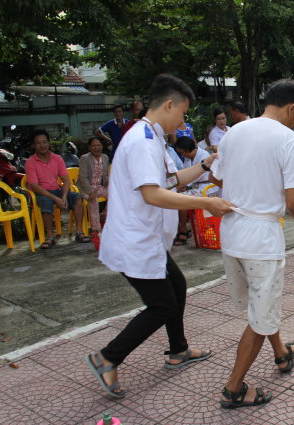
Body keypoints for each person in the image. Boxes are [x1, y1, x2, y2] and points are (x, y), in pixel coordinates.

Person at [85, 74, 234, 399]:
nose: (183, 122)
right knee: (161, 305)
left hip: (148, 239)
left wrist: (206, 163)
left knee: (176, 287)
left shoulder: (152, 139)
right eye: (182, 113)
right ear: (168, 105)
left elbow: (169, 181)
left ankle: (178, 349)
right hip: (134, 241)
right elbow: (153, 194)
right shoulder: (141, 140)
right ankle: (107, 357)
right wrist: (207, 201)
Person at [211, 78, 294, 409]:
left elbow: (216, 177)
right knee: (259, 317)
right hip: (260, 239)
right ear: (292, 108)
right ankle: (233, 388)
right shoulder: (288, 140)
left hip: (230, 233)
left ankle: (280, 354)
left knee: (261, 307)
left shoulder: (234, 132)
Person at [24, 129, 90, 249]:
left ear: (49, 143)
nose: (42, 145)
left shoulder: (57, 158)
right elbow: (34, 186)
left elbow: (66, 180)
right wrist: (56, 198)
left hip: (57, 190)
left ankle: (79, 232)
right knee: (46, 201)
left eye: (44, 142)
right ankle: (49, 236)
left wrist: (63, 197)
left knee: (77, 198)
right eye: (38, 143)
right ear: (34, 145)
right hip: (41, 192)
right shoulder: (30, 162)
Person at [173, 136, 213, 246]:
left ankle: (183, 230)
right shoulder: (187, 157)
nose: (182, 155)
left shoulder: (204, 155)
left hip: (206, 187)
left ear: (187, 149)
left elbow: (197, 175)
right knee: (175, 198)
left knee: (181, 200)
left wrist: (183, 184)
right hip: (195, 186)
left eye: (182, 152)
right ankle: (178, 230)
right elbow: (186, 173)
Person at [78, 137, 109, 236]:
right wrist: (90, 192)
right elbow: (82, 178)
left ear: (102, 146)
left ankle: (107, 220)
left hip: (100, 186)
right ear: (89, 147)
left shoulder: (105, 157)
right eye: (94, 145)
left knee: (115, 197)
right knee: (93, 199)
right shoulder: (84, 158)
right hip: (86, 187)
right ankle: (95, 229)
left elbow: (105, 176)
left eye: (99, 145)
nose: (96, 148)